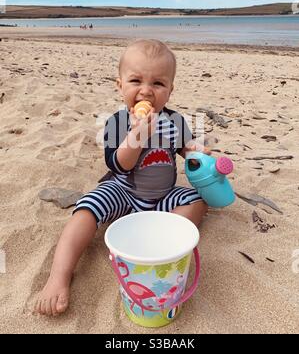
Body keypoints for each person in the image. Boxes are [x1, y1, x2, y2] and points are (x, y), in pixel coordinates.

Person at [34, 39, 210, 317]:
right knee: (86, 210)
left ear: (170, 90)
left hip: (162, 195)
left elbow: (185, 148)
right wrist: (136, 138)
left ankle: (162, 238)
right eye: (136, 80)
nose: (146, 91)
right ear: (120, 86)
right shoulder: (116, 122)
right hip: (123, 190)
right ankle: (59, 276)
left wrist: (197, 153)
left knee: (197, 201)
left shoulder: (176, 121)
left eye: (158, 84)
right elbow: (118, 164)